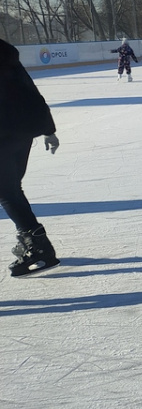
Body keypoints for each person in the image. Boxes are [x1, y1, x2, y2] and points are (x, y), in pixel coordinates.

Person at [0, 38, 61, 276]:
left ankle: (39, 248)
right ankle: (31, 241)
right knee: (11, 189)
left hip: (4, 134)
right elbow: (30, 91)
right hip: (23, 131)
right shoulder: (7, 54)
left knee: (7, 192)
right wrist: (49, 130)